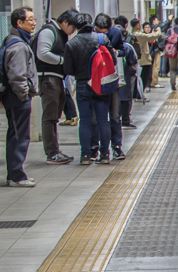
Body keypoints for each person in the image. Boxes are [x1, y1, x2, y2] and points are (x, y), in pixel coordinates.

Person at [64, 12, 112, 165]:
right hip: (101, 84)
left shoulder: (71, 44)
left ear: (76, 26)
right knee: (103, 120)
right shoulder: (102, 39)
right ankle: (104, 154)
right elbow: (112, 63)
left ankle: (85, 156)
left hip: (83, 84)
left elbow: (69, 70)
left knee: (84, 121)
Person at [32, 9, 78, 165]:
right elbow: (42, 53)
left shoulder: (59, 33)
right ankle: (52, 153)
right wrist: (62, 60)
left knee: (54, 117)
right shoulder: (49, 31)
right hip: (47, 78)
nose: (74, 31)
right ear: (64, 22)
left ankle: (55, 151)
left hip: (56, 78)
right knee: (50, 118)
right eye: (73, 27)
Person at [2, 7, 39, 186]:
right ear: (19, 22)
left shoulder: (15, 41)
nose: (34, 23)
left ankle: (16, 173)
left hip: (16, 97)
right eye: (30, 19)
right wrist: (23, 94)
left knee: (18, 135)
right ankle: (16, 176)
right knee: (19, 136)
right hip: (17, 98)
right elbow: (17, 76)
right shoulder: (17, 46)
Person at [93, 14, 127, 159]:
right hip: (96, 79)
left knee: (114, 115)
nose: (103, 35)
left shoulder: (116, 33)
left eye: (105, 32)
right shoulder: (90, 36)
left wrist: (116, 53)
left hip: (112, 77)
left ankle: (117, 146)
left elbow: (124, 50)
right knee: (96, 117)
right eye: (100, 31)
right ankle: (96, 147)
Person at [135, 21, 158, 93]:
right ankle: (141, 92)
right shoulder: (141, 36)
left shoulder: (144, 36)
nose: (147, 29)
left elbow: (155, 46)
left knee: (148, 73)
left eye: (149, 27)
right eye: (146, 27)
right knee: (143, 76)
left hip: (149, 57)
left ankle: (147, 86)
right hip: (143, 59)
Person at [149, 16, 165, 88]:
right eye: (156, 20)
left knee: (154, 67)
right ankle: (154, 82)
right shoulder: (155, 29)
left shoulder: (151, 29)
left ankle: (153, 82)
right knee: (155, 67)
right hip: (155, 51)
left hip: (153, 50)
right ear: (153, 21)